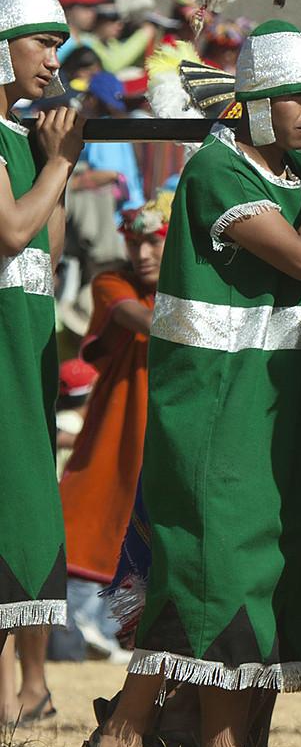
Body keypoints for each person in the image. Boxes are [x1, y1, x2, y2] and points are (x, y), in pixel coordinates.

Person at [85, 20, 301, 747]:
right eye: (297, 99)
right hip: (213, 406)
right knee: (215, 570)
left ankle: (133, 731)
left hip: (269, 406)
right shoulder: (217, 168)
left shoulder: (283, 167)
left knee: (247, 569)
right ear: (254, 106)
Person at [0, 0, 85, 724]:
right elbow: (11, 230)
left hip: (25, 347)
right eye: (40, 42)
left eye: (59, 44)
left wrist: (55, 158)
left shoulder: (23, 136)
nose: (53, 59)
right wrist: (58, 162)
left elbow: (45, 259)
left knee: (20, 514)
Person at [58, 193, 171, 657]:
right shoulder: (112, 281)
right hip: (115, 432)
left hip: (166, 428)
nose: (141, 255)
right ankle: (86, 628)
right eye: (134, 242)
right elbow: (139, 317)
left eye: (154, 242)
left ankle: (129, 632)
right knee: (91, 517)